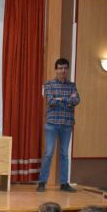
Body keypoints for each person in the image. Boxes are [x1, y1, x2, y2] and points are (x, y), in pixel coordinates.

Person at [37, 58, 80, 193]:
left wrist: (60, 99)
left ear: (67, 70)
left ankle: (64, 183)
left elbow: (77, 100)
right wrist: (67, 101)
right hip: (52, 124)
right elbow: (51, 101)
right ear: (56, 70)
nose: (63, 71)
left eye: (65, 68)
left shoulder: (72, 85)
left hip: (67, 124)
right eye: (60, 68)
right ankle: (42, 182)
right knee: (48, 153)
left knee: (64, 154)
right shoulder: (49, 84)